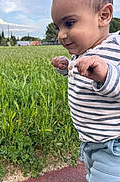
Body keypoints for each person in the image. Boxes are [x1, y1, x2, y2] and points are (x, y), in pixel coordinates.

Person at [51, 0, 120, 181]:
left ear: (103, 16)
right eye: (58, 27)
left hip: (114, 147)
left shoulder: (117, 47)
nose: (61, 35)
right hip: (90, 144)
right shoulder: (81, 53)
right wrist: (66, 67)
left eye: (69, 23)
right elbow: (80, 76)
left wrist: (106, 74)